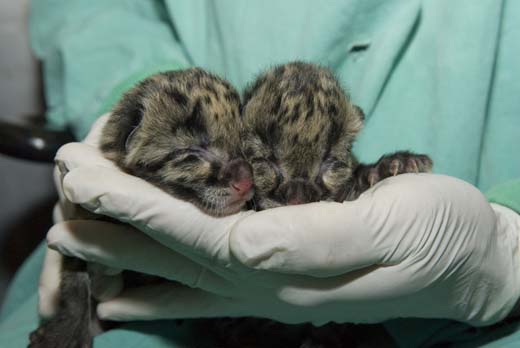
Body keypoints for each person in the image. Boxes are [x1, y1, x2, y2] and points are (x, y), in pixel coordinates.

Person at [1, 1, 520, 347]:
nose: (297, 197)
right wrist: (139, 99)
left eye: (328, 165)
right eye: (265, 164)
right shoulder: (224, 145)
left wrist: (506, 242)